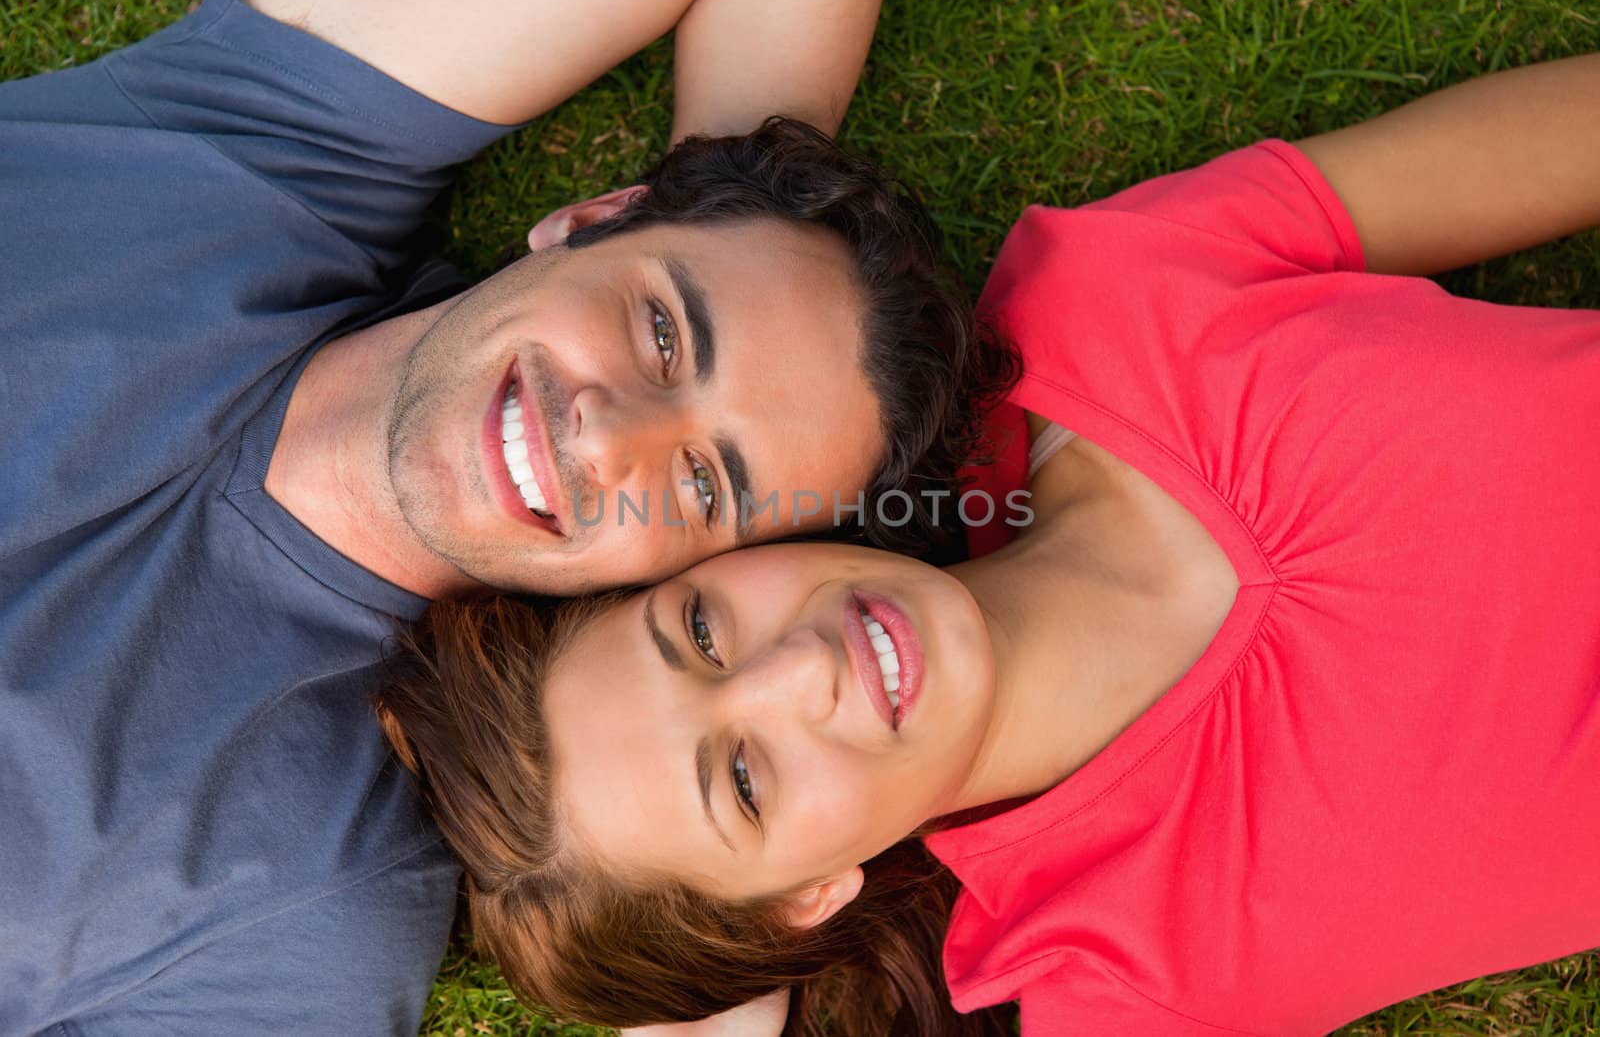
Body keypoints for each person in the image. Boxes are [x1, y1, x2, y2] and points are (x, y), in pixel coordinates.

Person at [377, 51, 1600, 1035]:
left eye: (697, 629)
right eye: (743, 779)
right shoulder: (1123, 978)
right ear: (811, 898)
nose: (800, 667)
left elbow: (1539, 147)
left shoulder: (1093, 306)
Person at [0, 0, 1014, 1032]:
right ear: (589, 216)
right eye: (663, 332)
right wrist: (736, 185)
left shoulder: (303, 889)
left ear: (689, 570)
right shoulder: (245, 157)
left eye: (704, 480)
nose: (608, 433)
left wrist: (679, 265)